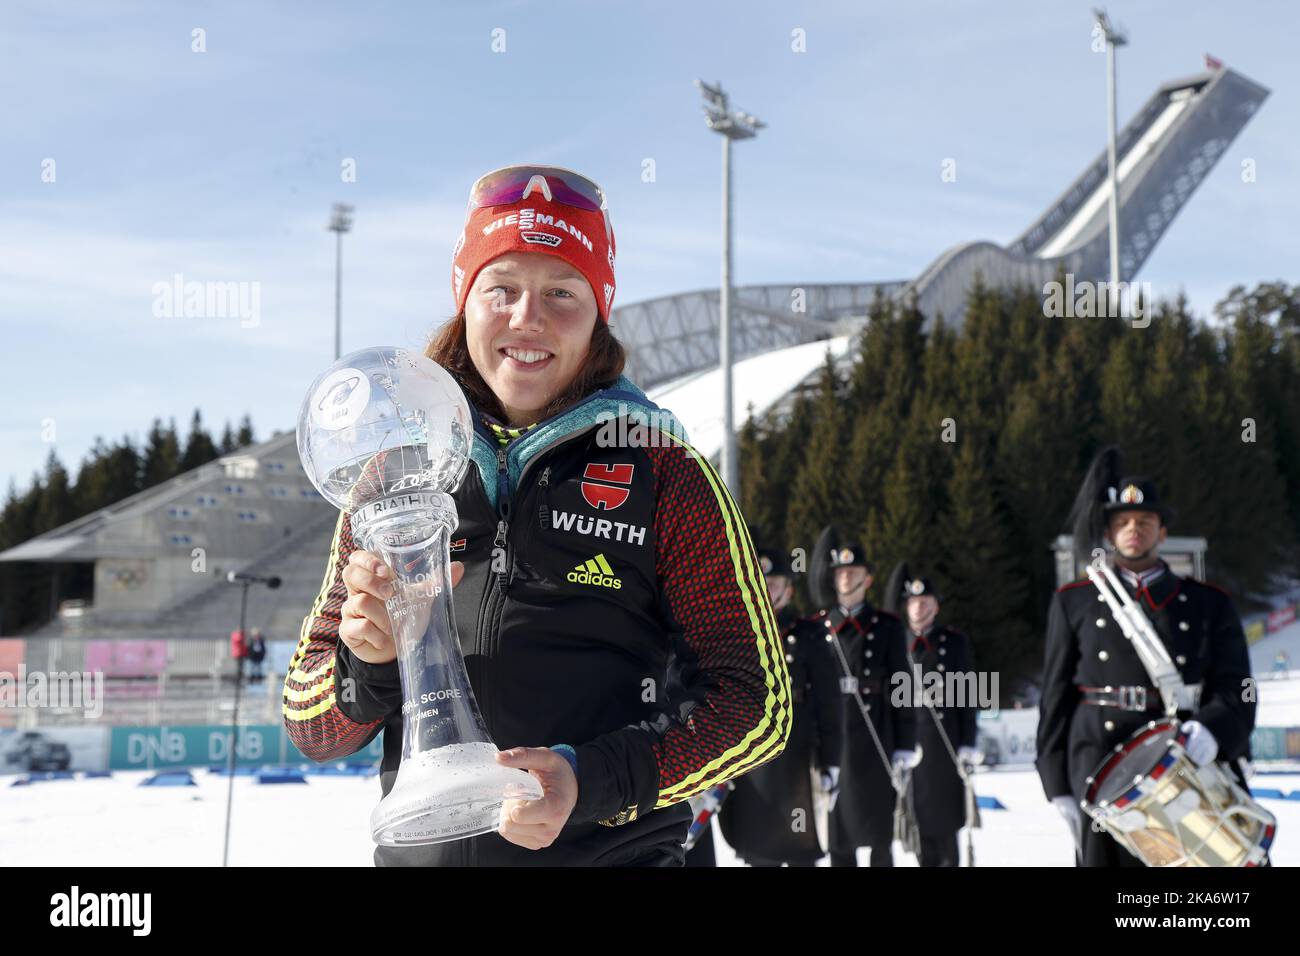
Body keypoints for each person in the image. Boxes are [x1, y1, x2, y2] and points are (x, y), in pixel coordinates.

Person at [282, 164, 791, 866]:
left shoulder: (663, 470)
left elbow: (755, 704)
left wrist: (590, 781)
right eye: (502, 288)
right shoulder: (394, 478)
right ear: (466, 303)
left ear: (598, 310)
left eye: (561, 291)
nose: (528, 318)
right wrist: (365, 665)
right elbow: (311, 725)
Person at [1036, 446, 1257, 866]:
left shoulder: (1207, 603)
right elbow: (1055, 696)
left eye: (1145, 521)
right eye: (1122, 522)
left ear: (1163, 533)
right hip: (1098, 758)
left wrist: (1213, 730)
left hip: (1182, 755)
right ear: (1108, 534)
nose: (1133, 529)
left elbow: (1237, 686)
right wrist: (1055, 778)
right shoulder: (1074, 601)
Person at [717, 548, 843, 867]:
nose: (767, 589)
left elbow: (829, 705)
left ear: (789, 589)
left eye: (775, 583)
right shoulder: (737, 633)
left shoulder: (809, 634)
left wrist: (831, 762)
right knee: (760, 854)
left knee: (801, 851)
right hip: (752, 761)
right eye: (762, 581)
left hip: (799, 757)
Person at [816, 543, 917, 867]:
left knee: (880, 836)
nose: (846, 577)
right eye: (841, 572)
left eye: (853, 572)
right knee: (839, 838)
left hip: (877, 739)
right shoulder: (820, 627)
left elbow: (901, 686)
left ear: (868, 579)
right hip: (835, 738)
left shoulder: (886, 626)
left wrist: (905, 743)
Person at [893, 574, 980, 867]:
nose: (918, 608)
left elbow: (969, 696)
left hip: (945, 743)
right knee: (917, 822)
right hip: (908, 742)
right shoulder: (896, 643)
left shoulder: (954, 642)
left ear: (936, 607)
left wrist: (968, 742)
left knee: (945, 825)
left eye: (924, 602)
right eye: (913, 602)